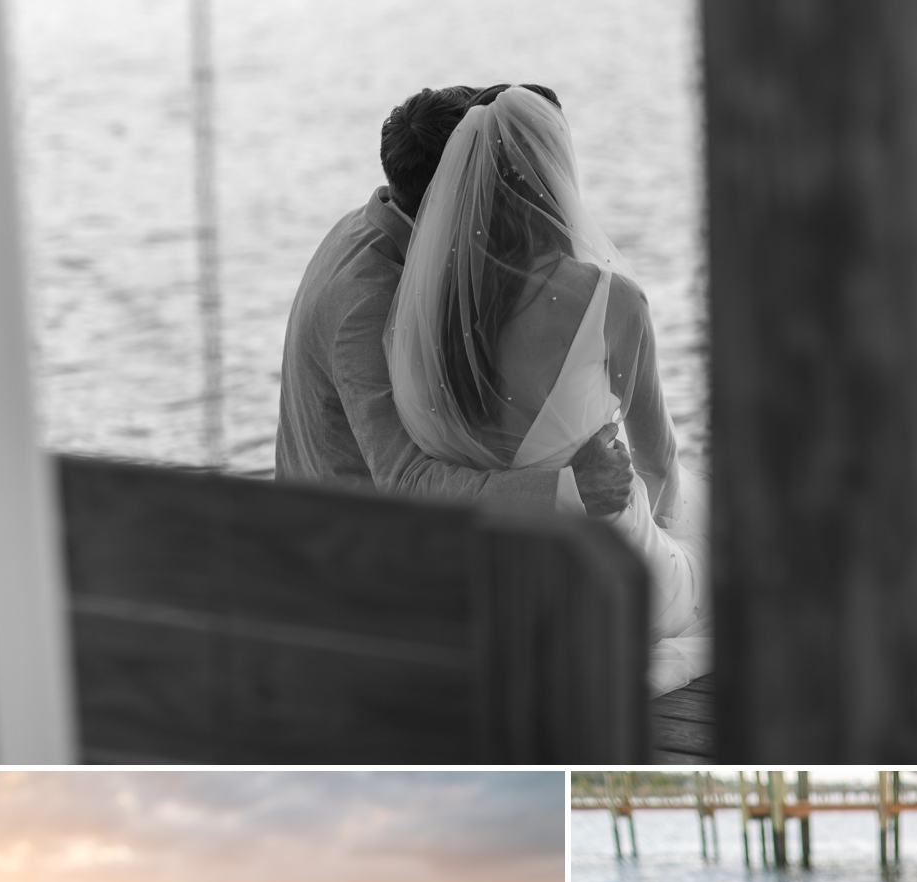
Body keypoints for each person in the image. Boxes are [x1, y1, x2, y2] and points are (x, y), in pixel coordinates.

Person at [384, 84, 710, 696]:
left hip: (507, 581)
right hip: (611, 574)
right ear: (556, 175)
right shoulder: (612, 300)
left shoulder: (430, 313)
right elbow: (659, 461)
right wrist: (665, 536)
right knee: (725, 540)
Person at [275, 83, 632, 522]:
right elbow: (405, 480)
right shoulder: (368, 303)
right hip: (359, 557)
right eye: (487, 174)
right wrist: (571, 491)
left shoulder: (377, 223)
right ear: (456, 192)